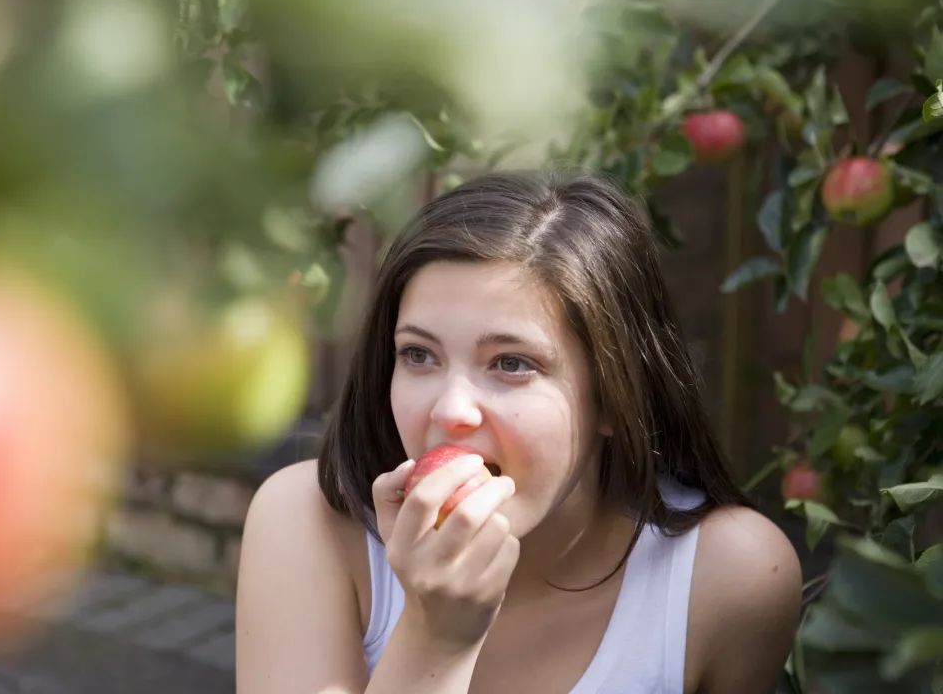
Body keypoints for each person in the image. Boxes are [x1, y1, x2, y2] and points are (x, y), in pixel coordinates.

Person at [236, 170, 802, 693]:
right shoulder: (306, 522)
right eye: (418, 354)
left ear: (614, 395)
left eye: (511, 363)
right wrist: (435, 638)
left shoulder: (730, 580)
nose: (451, 410)